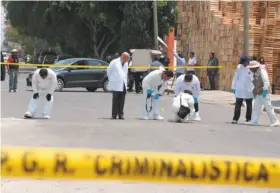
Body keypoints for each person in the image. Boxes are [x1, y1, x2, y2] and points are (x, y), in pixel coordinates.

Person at [246, 61, 280, 127]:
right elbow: (255, 84)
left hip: (265, 93)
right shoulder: (254, 73)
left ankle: (275, 121)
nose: (250, 69)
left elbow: (266, 81)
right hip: (258, 93)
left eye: (251, 68)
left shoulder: (262, 71)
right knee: (256, 107)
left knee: (268, 107)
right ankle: (254, 121)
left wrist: (265, 90)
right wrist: (254, 92)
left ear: (255, 67)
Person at [231, 56, 254, 124]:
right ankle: (235, 118)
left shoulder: (251, 68)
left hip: (249, 89)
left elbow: (253, 78)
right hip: (240, 88)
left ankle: (248, 119)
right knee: (238, 103)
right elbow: (235, 77)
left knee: (249, 104)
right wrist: (233, 87)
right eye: (245, 62)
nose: (246, 63)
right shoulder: (239, 67)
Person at [107, 52, 129, 119]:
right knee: (115, 99)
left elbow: (125, 73)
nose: (127, 60)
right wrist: (112, 79)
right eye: (126, 58)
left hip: (123, 83)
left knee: (122, 100)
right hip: (116, 83)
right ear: (122, 57)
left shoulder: (126, 63)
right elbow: (109, 71)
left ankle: (121, 114)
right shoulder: (114, 62)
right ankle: (114, 114)